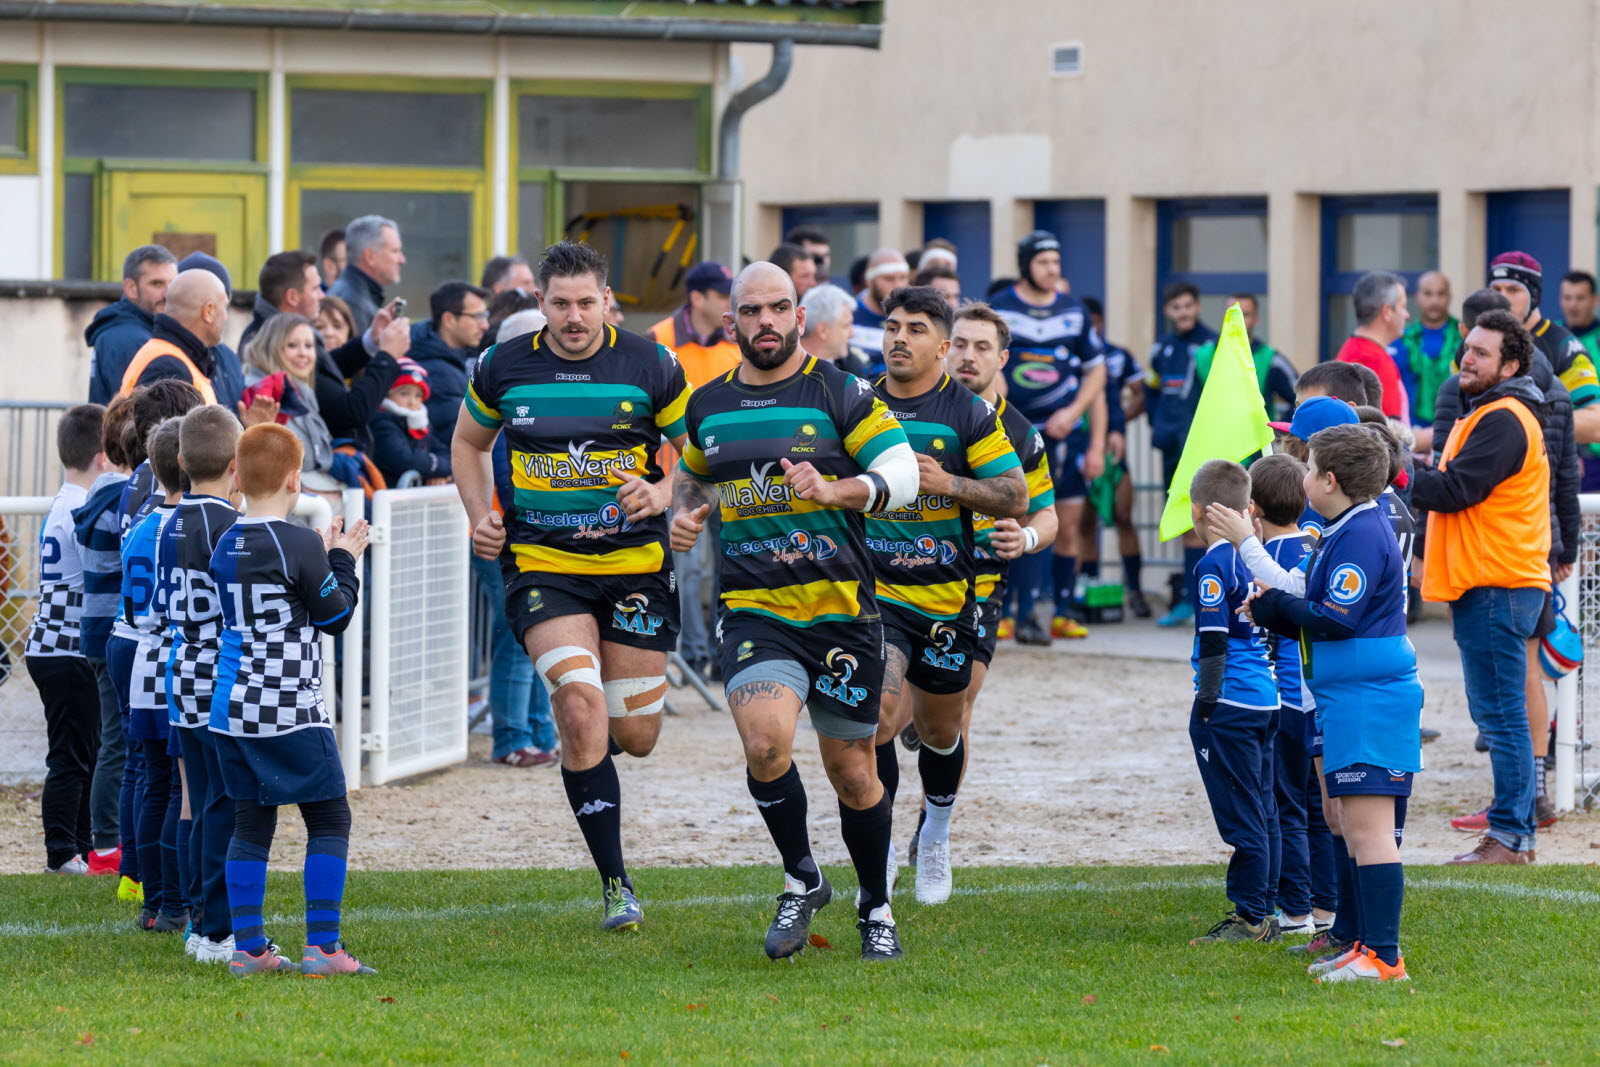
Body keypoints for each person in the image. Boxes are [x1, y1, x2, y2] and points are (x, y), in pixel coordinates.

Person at [670, 260, 918, 962]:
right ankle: (802, 875)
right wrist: (683, 512)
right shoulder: (708, 403)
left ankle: (875, 903)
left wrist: (838, 491)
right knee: (765, 743)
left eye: (780, 308)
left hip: (842, 612)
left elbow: (899, 474)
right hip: (756, 609)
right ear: (732, 323)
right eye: (753, 312)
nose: (767, 322)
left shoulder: (842, 392)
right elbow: (693, 473)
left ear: (800, 317)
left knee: (852, 770)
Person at [454, 241, 691, 930]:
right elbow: (467, 442)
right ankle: (617, 884)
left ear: (607, 300)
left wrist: (664, 488)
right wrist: (480, 516)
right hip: (543, 567)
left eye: (587, 302)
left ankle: (594, 758)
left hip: (636, 569)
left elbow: (696, 451)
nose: (574, 316)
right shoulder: (505, 364)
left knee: (636, 734)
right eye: (560, 303)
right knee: (581, 710)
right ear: (540, 304)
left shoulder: (648, 362)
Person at [1243, 424, 1423, 982]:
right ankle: (1359, 941)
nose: (1299, 474)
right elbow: (1317, 602)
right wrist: (1276, 603)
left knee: (1368, 829)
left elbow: (1334, 617)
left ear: (1329, 480)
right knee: (1346, 818)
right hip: (1348, 693)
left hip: (1369, 696)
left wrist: (1273, 608)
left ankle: (1384, 956)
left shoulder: (1363, 534)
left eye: (1307, 465)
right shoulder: (1341, 526)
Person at [867, 287, 1023, 906]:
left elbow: (1014, 495)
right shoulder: (857, 403)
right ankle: (875, 855)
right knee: (875, 722)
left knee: (940, 731)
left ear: (940, 344)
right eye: (891, 326)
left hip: (944, 599)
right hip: (871, 597)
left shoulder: (968, 414)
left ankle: (934, 832)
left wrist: (949, 483)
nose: (899, 338)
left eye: (915, 329)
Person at [209, 423, 374, 977]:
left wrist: (321, 561)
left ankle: (249, 949)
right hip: (288, 706)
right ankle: (323, 949)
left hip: (231, 705)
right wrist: (344, 558)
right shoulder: (298, 540)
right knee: (329, 817)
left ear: (237, 475)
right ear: (295, 479)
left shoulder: (225, 539)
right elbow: (335, 616)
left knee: (250, 823)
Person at [1413, 309, 1549, 865]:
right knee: (1497, 712)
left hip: (1499, 583)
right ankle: (1511, 831)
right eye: (1466, 348)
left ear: (1511, 364)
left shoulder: (1505, 416)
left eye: (1482, 353)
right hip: (1490, 582)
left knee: (1501, 716)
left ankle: (1512, 837)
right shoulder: (1493, 413)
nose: (1466, 358)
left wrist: (1392, 470)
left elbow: (1454, 491)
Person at [1180, 459, 1281, 945]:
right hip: (1266, 699)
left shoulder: (1213, 565)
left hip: (1233, 705)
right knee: (1265, 809)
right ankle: (1273, 908)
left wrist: (1205, 704)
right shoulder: (1256, 555)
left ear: (1200, 512)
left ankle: (1252, 916)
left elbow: (1215, 641)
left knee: (1244, 814)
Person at [990, 230, 1106, 643]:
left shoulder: (1074, 310)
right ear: (1025, 266)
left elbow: (1097, 370)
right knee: (1017, 517)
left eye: (1057, 262)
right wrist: (1007, 415)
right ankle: (1014, 611)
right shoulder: (1001, 308)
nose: (1052, 269)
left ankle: (1057, 610)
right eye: (1043, 262)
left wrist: (1074, 414)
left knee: (1064, 521)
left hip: (1063, 435)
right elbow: (988, 363)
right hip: (1011, 432)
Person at [161, 405, 243, 963]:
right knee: (221, 805)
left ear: (182, 461)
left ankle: (198, 917)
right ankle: (216, 928)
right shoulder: (228, 526)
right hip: (217, 673)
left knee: (202, 801)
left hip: (180, 666)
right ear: (237, 465)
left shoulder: (167, 519)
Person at [1235, 453, 1321, 939]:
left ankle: (1295, 914)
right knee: (1314, 808)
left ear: (1253, 509)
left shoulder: (1273, 559)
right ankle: (1323, 905)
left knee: (1288, 808)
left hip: (1288, 700)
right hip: (1313, 698)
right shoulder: (1312, 544)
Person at [645, 261, 740, 680]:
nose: (730, 304)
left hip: (734, 472)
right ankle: (694, 655)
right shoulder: (659, 339)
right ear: (698, 297)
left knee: (729, 564)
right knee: (688, 567)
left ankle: (722, 653)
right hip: (679, 475)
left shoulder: (736, 342)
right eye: (723, 295)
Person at [24, 404, 108, 874]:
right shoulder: (83, 508)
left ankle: (81, 844)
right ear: (102, 457)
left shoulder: (63, 501)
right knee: (71, 754)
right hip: (66, 647)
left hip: (55, 645)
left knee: (83, 749)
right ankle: (61, 852)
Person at [122, 418, 185, 933]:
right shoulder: (189, 526)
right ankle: (174, 903)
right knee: (177, 789)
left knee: (154, 783)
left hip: (144, 657)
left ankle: (155, 903)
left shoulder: (140, 524)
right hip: (174, 662)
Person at [72, 395, 135, 879]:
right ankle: (107, 847)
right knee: (116, 741)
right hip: (113, 633)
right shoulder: (120, 500)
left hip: (97, 633)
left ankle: (110, 842)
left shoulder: (100, 497)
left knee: (115, 739)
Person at [1146, 280, 1219, 627]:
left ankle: (1203, 599)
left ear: (1198, 307)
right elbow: (1151, 390)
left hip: (1203, 448)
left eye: (1189, 305)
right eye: (1177, 307)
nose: (1183, 312)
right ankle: (1188, 599)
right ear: (1168, 311)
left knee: (1203, 523)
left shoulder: (1212, 344)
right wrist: (1157, 427)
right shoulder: (1160, 348)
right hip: (1171, 447)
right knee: (1181, 523)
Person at [1079, 296, 1149, 617]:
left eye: (1092, 322)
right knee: (1083, 522)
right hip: (1078, 445)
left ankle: (1135, 591)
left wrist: (1119, 424)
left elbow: (1140, 394)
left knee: (1124, 517)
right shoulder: (1067, 356)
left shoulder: (1118, 356)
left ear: (1099, 321)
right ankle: (1084, 594)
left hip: (1113, 449)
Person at [1488, 251, 1600, 441]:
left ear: (1534, 296)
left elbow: (1596, 422)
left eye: (1513, 290)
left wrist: (1522, 422)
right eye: (1496, 289)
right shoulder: (1474, 343)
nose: (1502, 298)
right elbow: (1451, 416)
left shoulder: (1560, 344)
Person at [242, 314, 344, 491]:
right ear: (271, 348)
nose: (303, 353)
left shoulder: (302, 389)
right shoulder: (262, 389)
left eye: (309, 346)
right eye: (292, 345)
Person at [118, 269, 228, 404]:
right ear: (208, 311)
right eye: (225, 307)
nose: (226, 317)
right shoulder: (170, 368)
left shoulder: (174, 358)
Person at [87, 245, 179, 404]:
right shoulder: (130, 339)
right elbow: (139, 413)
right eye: (157, 284)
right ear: (131, 288)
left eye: (173, 284)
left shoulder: (128, 330)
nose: (168, 293)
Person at [410, 281, 490, 447]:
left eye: (485, 315)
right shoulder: (439, 372)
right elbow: (460, 441)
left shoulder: (457, 358)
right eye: (477, 317)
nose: (485, 325)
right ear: (449, 320)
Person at [1196, 294, 1296, 422]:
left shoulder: (1270, 359)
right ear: (1224, 317)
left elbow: (1301, 400)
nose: (1238, 320)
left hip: (1257, 441)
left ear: (1256, 319)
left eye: (1245, 315)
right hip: (1212, 439)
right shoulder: (1203, 355)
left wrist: (1279, 432)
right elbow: (1187, 403)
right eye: (1233, 314)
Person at [1392, 271, 1456, 453]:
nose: (1434, 300)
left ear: (1449, 297)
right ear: (1418, 297)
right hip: (1408, 438)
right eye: (1428, 294)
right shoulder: (1400, 341)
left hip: (1453, 435)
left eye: (1441, 293)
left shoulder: (1465, 339)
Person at [1335, 271, 1410, 422]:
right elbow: (1388, 433)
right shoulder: (1373, 360)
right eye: (1403, 307)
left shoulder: (1355, 349)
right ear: (1387, 312)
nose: (1407, 315)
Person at [177, 252, 246, 414]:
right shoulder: (170, 359)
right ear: (208, 309)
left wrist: (251, 425)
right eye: (222, 306)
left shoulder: (229, 358)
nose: (226, 316)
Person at [371, 358, 451, 486]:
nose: (412, 402)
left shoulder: (421, 422)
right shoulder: (382, 422)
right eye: (404, 394)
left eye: (418, 395)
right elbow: (403, 459)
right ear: (387, 394)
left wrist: (439, 474)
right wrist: (435, 467)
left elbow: (446, 454)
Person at [328, 215, 406, 335]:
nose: (402, 260)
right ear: (370, 257)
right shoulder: (353, 303)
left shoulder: (355, 295)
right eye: (395, 251)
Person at [851, 248, 911, 377]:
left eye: (903, 278)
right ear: (869, 280)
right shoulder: (849, 316)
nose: (898, 285)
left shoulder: (915, 317)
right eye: (889, 279)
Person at [799, 283, 870, 377]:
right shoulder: (783, 367)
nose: (852, 334)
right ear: (823, 330)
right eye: (846, 326)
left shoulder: (850, 367)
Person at [1559, 269, 1600, 363]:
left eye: (1580, 298)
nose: (1573, 305)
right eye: (1567, 298)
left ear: (1595, 300)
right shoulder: (1549, 334)